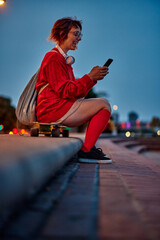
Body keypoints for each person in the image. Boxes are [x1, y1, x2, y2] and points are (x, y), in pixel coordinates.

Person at [36, 17, 112, 163]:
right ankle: (87, 151)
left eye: (80, 35)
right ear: (63, 33)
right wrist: (89, 77)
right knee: (104, 103)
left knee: (103, 104)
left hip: (59, 107)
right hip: (52, 109)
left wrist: (93, 79)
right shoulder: (53, 58)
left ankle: (88, 149)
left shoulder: (64, 60)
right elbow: (65, 91)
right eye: (76, 34)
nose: (79, 38)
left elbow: (76, 93)